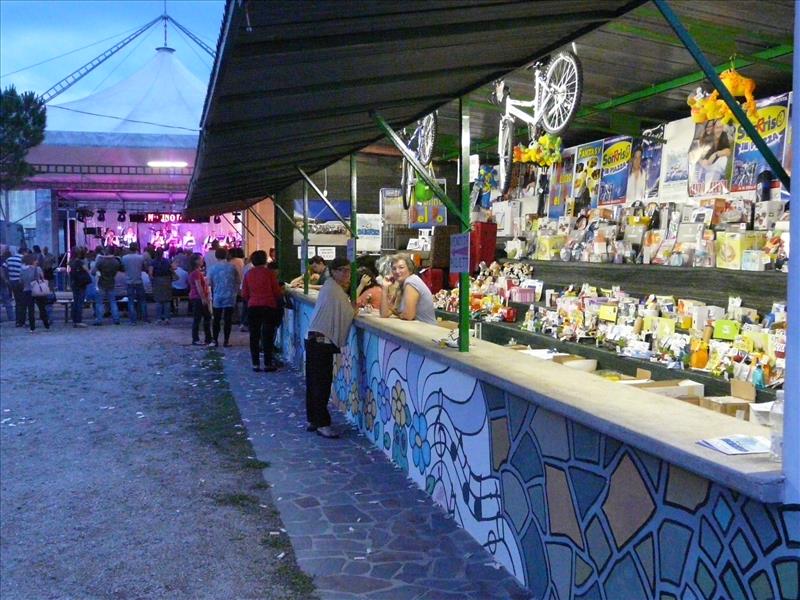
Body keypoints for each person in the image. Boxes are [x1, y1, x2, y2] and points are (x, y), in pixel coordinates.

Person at [304, 257, 356, 438]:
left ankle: (314, 419)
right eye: (342, 270)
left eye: (348, 270)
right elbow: (349, 312)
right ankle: (322, 423)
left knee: (314, 383)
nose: (346, 274)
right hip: (321, 342)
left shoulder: (330, 286)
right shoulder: (335, 290)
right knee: (321, 384)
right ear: (333, 271)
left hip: (314, 340)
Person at [242, 250, 282, 371]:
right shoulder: (269, 273)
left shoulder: (248, 274)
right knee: (267, 335)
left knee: (254, 335)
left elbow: (244, 293)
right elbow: (276, 291)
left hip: (253, 306)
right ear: (265, 260)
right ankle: (268, 363)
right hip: (268, 306)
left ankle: (255, 364)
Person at [379, 253, 436, 325]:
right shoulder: (401, 286)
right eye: (394, 268)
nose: (397, 271)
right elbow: (384, 314)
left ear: (409, 269)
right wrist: (385, 288)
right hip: (416, 328)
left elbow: (409, 316)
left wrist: (397, 313)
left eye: (401, 267)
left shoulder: (411, 282)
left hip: (427, 329)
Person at [207, 247, 240, 347]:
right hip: (230, 295)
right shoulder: (232, 267)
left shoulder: (212, 268)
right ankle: (226, 341)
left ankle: (215, 340)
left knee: (216, 319)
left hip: (217, 295)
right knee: (228, 320)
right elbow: (238, 281)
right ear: (226, 255)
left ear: (216, 256)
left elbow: (209, 282)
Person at [19, 253, 50, 332]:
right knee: (42, 307)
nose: (37, 261)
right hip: (37, 289)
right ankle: (46, 324)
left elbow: (21, 281)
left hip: (27, 290)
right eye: (35, 260)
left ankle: (32, 327)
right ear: (32, 261)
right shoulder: (37, 268)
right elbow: (42, 277)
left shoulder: (22, 270)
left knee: (30, 309)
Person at [92, 246, 122, 325]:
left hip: (101, 283)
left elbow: (93, 272)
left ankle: (99, 320)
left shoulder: (101, 261)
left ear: (106, 251)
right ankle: (116, 319)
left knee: (99, 303)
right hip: (111, 282)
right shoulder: (116, 261)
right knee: (113, 302)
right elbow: (121, 269)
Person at [120, 242, 149, 324]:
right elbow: (144, 267)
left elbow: (122, 268)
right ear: (136, 248)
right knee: (142, 300)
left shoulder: (124, 258)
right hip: (138, 280)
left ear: (129, 248)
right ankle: (144, 318)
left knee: (131, 301)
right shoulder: (141, 257)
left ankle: (133, 320)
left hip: (129, 281)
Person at [188, 253, 212, 346]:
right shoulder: (196, 273)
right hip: (198, 298)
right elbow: (199, 287)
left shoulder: (196, 272)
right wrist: (203, 298)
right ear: (196, 261)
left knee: (202, 317)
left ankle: (206, 338)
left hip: (197, 297)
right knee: (201, 318)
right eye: (201, 259)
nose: (202, 261)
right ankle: (199, 338)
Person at [149, 248, 174, 324]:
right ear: (163, 253)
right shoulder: (168, 261)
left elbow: (150, 273)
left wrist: (152, 280)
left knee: (158, 300)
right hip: (167, 280)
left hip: (157, 280)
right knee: (167, 300)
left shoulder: (153, 262)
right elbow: (173, 269)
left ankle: (159, 318)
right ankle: (167, 318)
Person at [68, 246, 91, 327]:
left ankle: (74, 319)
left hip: (74, 283)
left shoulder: (71, 261)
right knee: (80, 302)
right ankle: (78, 320)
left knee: (75, 301)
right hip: (81, 283)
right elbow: (87, 270)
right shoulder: (80, 262)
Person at [4, 247, 25, 326]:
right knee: (22, 302)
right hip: (20, 282)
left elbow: (2, 268)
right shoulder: (22, 258)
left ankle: (17, 321)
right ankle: (21, 321)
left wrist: (6, 279)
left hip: (12, 282)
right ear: (23, 252)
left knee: (17, 301)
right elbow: (24, 270)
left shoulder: (9, 259)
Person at [0, 249, 15, 323]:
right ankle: (11, 317)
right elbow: (1, 270)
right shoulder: (3, 261)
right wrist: (5, 279)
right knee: (7, 301)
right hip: (2, 283)